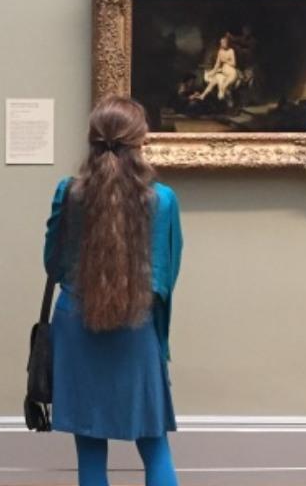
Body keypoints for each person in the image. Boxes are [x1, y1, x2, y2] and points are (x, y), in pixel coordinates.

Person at [42, 94, 183, 486]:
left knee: (89, 449)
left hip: (76, 324)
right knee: (154, 444)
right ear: (140, 141)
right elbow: (163, 280)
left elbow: (53, 265)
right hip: (136, 327)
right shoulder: (163, 200)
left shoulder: (68, 192)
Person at [191, 34, 238, 102]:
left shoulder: (231, 51)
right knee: (214, 80)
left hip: (231, 73)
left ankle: (224, 96)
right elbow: (217, 65)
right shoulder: (220, 52)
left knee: (223, 86)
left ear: (227, 43)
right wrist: (212, 72)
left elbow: (234, 64)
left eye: (224, 42)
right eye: (222, 43)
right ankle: (203, 95)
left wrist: (225, 60)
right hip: (223, 73)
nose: (223, 44)